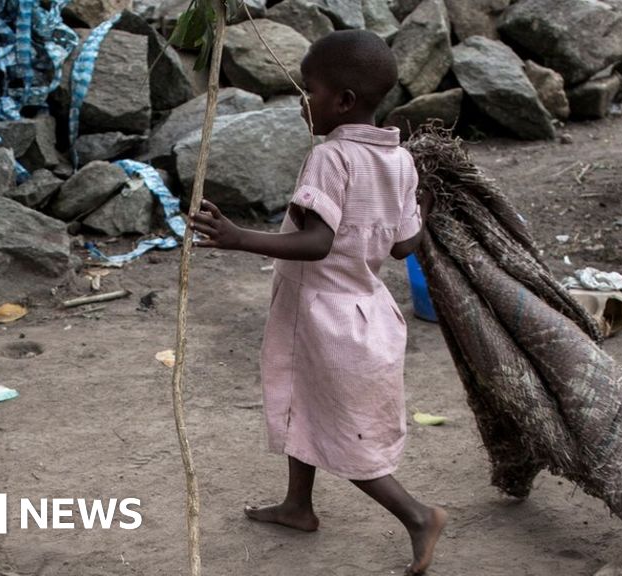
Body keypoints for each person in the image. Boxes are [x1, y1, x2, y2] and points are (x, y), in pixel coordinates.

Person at [189, 29, 446, 576]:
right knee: (300, 402)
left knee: (341, 432)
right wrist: (420, 208)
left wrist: (237, 238)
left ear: (344, 102)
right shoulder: (400, 161)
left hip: (325, 315)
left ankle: (418, 516)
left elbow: (317, 243)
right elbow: (402, 246)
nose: (303, 101)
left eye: (310, 90)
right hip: (363, 309)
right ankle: (297, 506)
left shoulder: (332, 157)